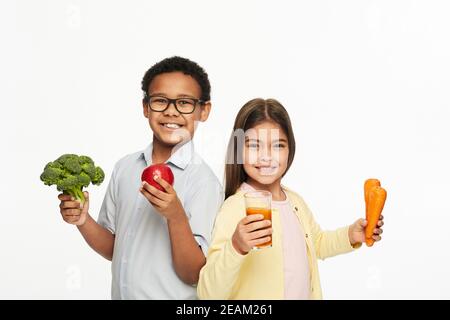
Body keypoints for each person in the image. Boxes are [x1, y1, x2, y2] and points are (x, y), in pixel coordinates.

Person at [58, 56, 223, 299]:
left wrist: (175, 215)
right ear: (146, 107)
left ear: (204, 110)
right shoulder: (125, 168)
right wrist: (83, 220)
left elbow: (195, 273)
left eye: (185, 103)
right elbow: (115, 248)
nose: (171, 111)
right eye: (160, 101)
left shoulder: (204, 182)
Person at [197, 98, 384, 299]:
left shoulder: (295, 202)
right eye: (253, 145)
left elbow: (317, 243)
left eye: (277, 145)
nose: (266, 156)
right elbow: (209, 293)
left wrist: (351, 235)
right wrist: (236, 246)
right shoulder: (235, 207)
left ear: (290, 149)